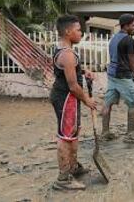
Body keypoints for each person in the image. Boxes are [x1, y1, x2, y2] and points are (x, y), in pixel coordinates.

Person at [50, 15, 97, 190]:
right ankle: (63, 179)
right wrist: (87, 100)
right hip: (66, 98)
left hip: (67, 97)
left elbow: (69, 71)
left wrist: (84, 71)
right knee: (66, 136)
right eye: (78, 30)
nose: (81, 33)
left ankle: (73, 166)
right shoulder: (68, 54)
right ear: (68, 32)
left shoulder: (64, 49)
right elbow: (72, 86)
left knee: (73, 131)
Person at [101, 13, 134, 143]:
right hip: (122, 75)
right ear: (126, 25)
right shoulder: (128, 40)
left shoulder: (114, 38)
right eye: (133, 25)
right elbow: (132, 61)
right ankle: (130, 134)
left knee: (108, 102)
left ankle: (105, 132)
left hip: (112, 74)